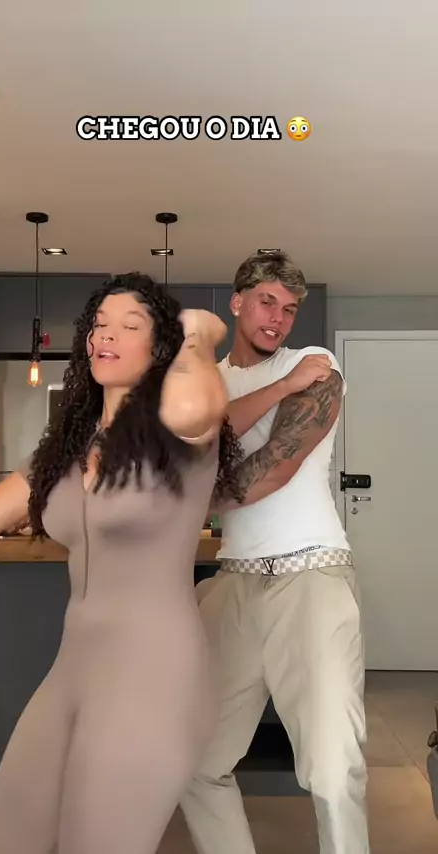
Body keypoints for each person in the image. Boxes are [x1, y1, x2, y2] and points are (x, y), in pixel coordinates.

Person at [0, 273, 245, 854]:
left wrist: (196, 332)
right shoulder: (65, 450)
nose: (105, 335)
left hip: (154, 675)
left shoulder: (181, 433)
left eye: (129, 326)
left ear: (160, 349)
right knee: (9, 836)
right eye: (98, 325)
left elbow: (194, 401)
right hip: (73, 670)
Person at [181, 251, 370, 854]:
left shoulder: (315, 365)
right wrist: (187, 477)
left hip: (312, 575)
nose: (278, 319)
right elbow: (185, 449)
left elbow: (273, 467)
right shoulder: (205, 383)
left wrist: (188, 492)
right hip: (232, 583)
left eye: (289, 309)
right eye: (267, 302)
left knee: (334, 770)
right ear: (237, 302)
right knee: (195, 761)